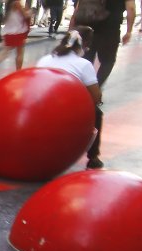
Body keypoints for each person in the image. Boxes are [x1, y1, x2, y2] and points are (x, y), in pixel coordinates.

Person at [37, 26, 105, 169]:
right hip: (64, 109)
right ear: (85, 45)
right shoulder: (83, 64)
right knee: (97, 114)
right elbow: (96, 96)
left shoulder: (45, 59)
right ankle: (93, 157)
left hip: (39, 104)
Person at [71, 0, 135, 86]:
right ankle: (95, 88)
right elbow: (131, 8)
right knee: (107, 61)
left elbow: (78, 7)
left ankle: (82, 88)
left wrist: (71, 28)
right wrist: (129, 31)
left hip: (84, 28)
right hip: (109, 29)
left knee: (84, 60)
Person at [0, 0, 31, 80]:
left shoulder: (8, 3)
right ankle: (18, 72)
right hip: (19, 31)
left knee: (4, 53)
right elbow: (25, 15)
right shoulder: (17, 3)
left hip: (9, 31)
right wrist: (30, 12)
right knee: (20, 52)